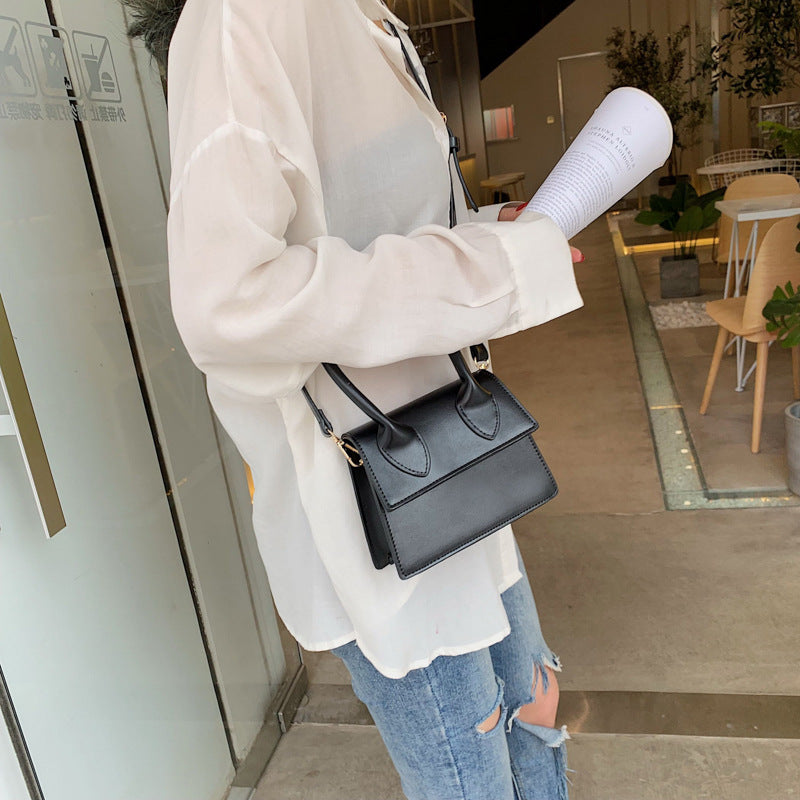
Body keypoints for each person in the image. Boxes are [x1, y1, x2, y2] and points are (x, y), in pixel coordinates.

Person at [125, 1, 585, 797]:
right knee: (475, 776)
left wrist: (489, 232)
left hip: (458, 459)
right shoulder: (246, 16)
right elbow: (229, 301)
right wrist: (490, 273)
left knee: (537, 719)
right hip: (373, 507)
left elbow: (366, 227)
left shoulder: (365, 15)